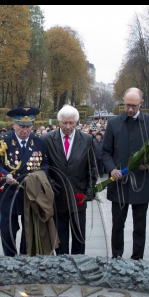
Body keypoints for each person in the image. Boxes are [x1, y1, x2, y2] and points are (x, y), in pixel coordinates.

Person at [102, 88, 149, 261]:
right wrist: (112, 169)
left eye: (134, 106)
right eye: (127, 105)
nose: (130, 109)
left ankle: (137, 259)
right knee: (117, 225)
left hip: (141, 182)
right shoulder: (113, 123)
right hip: (119, 183)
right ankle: (116, 256)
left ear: (141, 103)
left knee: (139, 226)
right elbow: (105, 152)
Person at [0, 107, 49, 256]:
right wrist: (4, 174)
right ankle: (9, 259)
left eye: (29, 126)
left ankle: (24, 258)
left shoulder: (39, 142)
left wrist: (39, 176)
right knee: (7, 230)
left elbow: (46, 164)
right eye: (22, 126)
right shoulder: (2, 140)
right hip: (9, 193)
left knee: (29, 231)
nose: (25, 130)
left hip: (30, 194)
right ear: (14, 124)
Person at [46, 105, 98, 255]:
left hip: (78, 196)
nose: (67, 127)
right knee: (59, 238)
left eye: (71, 123)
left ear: (77, 123)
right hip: (57, 196)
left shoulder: (87, 139)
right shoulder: (48, 139)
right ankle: (62, 266)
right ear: (59, 122)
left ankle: (79, 265)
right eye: (64, 123)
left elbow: (92, 167)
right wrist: (50, 182)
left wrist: (90, 189)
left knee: (79, 236)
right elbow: (43, 166)